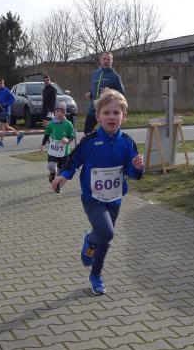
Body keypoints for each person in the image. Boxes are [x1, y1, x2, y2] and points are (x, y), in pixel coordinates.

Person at [52, 89, 143, 295]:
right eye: (106, 112)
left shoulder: (127, 142)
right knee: (106, 232)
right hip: (92, 199)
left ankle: (96, 275)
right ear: (98, 116)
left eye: (116, 113)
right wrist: (63, 176)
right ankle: (90, 240)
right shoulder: (90, 141)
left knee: (105, 239)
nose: (111, 117)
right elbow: (73, 161)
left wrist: (137, 168)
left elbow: (132, 172)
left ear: (123, 116)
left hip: (115, 199)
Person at [39, 101, 75, 192]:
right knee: (51, 166)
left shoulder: (68, 124)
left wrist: (67, 140)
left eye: (61, 112)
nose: (59, 113)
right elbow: (47, 134)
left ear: (64, 113)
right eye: (57, 111)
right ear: (54, 112)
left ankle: (58, 187)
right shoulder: (51, 123)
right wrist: (43, 144)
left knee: (61, 172)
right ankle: (52, 174)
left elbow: (72, 136)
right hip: (53, 150)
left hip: (64, 152)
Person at [86, 52, 124, 136]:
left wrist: (110, 91)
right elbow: (93, 88)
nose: (106, 61)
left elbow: (121, 93)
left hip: (107, 109)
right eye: (104, 59)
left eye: (109, 59)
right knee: (87, 131)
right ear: (100, 60)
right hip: (93, 108)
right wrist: (90, 93)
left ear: (111, 61)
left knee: (110, 132)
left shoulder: (115, 76)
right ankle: (97, 142)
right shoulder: (95, 74)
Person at [0, 78, 23, 147]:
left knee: (1, 126)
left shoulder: (6, 90)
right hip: (1, 111)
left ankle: (1, 142)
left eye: (1, 83)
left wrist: (5, 104)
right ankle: (19, 135)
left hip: (5, 112)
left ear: (3, 84)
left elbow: (13, 99)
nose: (0, 85)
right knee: (6, 127)